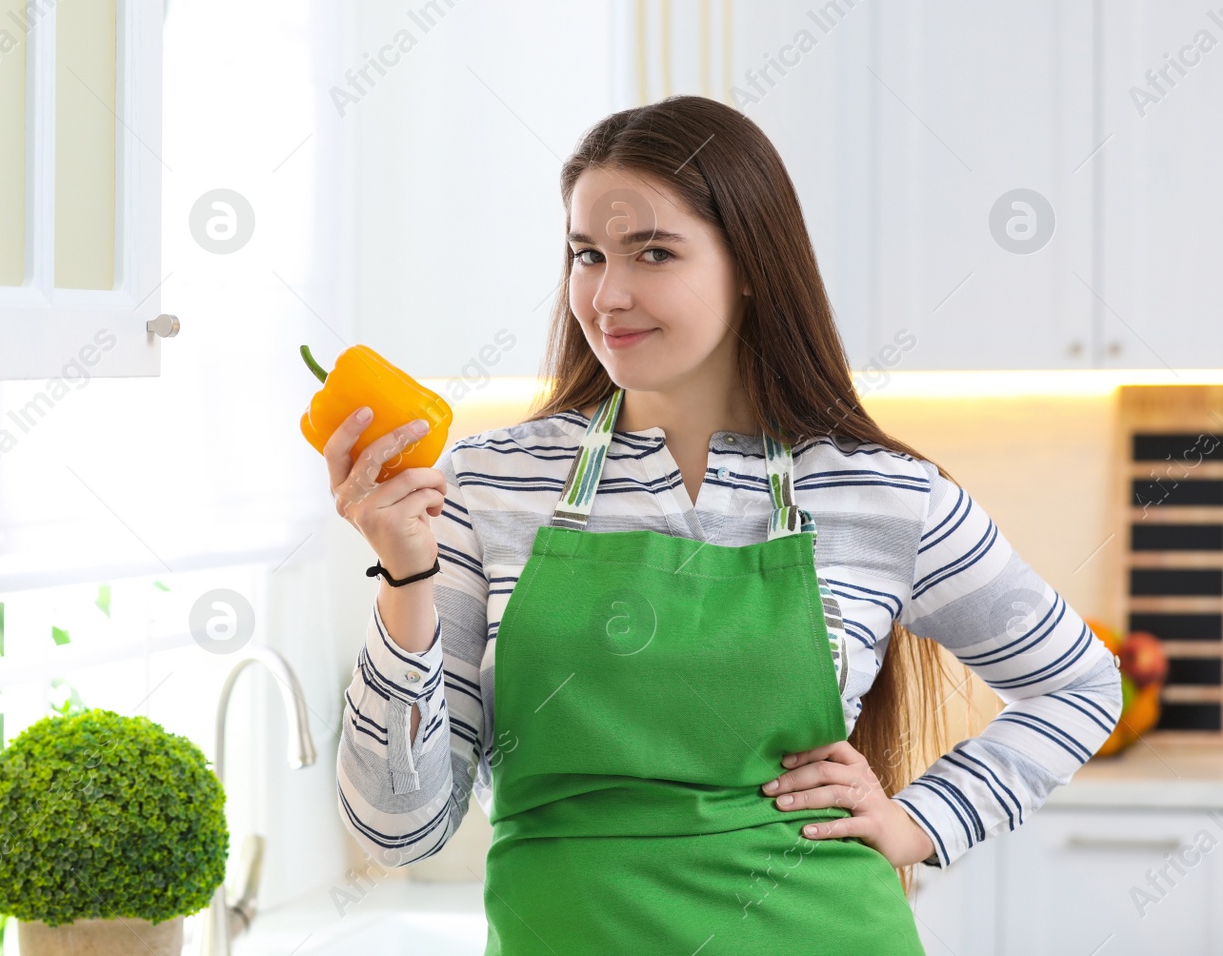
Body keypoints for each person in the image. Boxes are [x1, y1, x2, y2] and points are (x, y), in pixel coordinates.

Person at [326, 94, 1121, 954]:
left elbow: (1080, 685)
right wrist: (404, 579)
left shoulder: (882, 495)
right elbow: (398, 829)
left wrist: (919, 821)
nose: (608, 294)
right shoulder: (493, 482)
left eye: (654, 252)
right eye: (586, 254)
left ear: (750, 264)